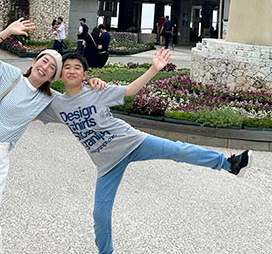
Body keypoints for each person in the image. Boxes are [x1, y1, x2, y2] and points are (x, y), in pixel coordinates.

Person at [39, 50, 252, 254]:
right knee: (100, 215)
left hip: (132, 141)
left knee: (177, 149)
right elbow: (27, 105)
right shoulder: (56, 104)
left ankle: (228, 163)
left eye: (77, 68)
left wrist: (154, 68)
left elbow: (130, 90)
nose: (72, 71)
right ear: (60, 74)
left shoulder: (96, 91)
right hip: (107, 164)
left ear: (85, 75)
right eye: (67, 67)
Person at [0, 19, 106, 254]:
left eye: (52, 67)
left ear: (52, 77)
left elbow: (76, 101)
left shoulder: (49, 98)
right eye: (43, 60)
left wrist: (91, 83)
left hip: (0, 159)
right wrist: (6, 33)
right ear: (34, 62)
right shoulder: (10, 75)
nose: (45, 66)